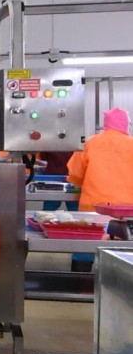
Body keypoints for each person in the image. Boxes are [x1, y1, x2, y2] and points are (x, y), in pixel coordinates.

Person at [67, 107, 133, 272]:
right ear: (125, 124)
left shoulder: (89, 143)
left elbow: (75, 173)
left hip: (93, 206)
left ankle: (79, 280)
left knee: (87, 243)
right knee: (124, 247)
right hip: (126, 209)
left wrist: (78, 182)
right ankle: (119, 282)